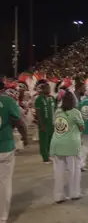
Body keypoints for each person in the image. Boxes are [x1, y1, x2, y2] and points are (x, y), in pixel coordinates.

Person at [0, 80, 28, 222]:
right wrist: (25, 137)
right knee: (4, 182)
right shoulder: (8, 101)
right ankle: (2, 216)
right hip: (5, 147)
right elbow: (19, 122)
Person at [50, 91, 84, 203]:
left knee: (58, 172)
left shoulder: (57, 111)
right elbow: (81, 127)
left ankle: (58, 196)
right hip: (72, 145)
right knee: (73, 170)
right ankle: (74, 193)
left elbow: (54, 125)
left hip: (57, 144)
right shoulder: (76, 112)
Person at [34, 80, 56, 164]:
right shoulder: (39, 99)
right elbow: (38, 112)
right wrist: (41, 124)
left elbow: (55, 110)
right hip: (44, 123)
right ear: (43, 89)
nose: (49, 89)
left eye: (49, 88)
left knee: (51, 140)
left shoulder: (52, 98)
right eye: (47, 88)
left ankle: (50, 155)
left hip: (51, 122)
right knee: (44, 140)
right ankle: (45, 157)